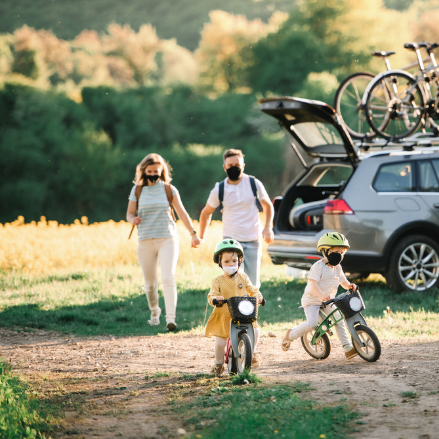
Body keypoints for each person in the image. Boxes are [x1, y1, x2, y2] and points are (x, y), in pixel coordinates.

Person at [126, 153, 201, 331]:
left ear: (162, 171)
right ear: (144, 171)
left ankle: (170, 318)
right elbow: (129, 213)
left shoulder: (169, 189)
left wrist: (193, 233)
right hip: (145, 240)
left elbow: (182, 213)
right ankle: (154, 312)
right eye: (150, 171)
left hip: (167, 238)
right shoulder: (137, 190)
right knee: (150, 283)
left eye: (156, 171)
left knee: (168, 277)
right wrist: (132, 220)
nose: (153, 174)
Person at [199, 149, 274, 288]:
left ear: (243, 166)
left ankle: (252, 309)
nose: (234, 167)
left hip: (253, 239)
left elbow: (268, 205)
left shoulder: (253, 183)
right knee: (233, 283)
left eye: (237, 164)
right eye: (230, 165)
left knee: (252, 285)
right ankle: (234, 309)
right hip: (231, 242)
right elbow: (206, 212)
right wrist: (201, 236)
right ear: (224, 167)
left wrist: (268, 227)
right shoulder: (220, 189)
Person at [281, 232, 358, 359]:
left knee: (339, 319)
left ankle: (347, 347)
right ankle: (290, 335)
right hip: (312, 300)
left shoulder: (338, 267)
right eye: (335, 251)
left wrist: (349, 285)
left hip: (327, 301)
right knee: (312, 324)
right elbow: (313, 285)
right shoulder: (318, 267)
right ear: (325, 251)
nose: (339, 255)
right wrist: (321, 295)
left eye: (341, 252)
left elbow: (343, 281)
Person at [205, 239, 264, 376]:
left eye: (234, 261)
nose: (230, 264)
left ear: (239, 261)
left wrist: (258, 297)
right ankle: (218, 364)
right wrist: (215, 299)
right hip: (224, 315)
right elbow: (211, 295)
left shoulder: (243, 277)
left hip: (242, 313)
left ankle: (251, 353)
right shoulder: (218, 280)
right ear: (220, 263)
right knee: (220, 341)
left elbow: (252, 289)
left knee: (255, 331)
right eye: (226, 262)